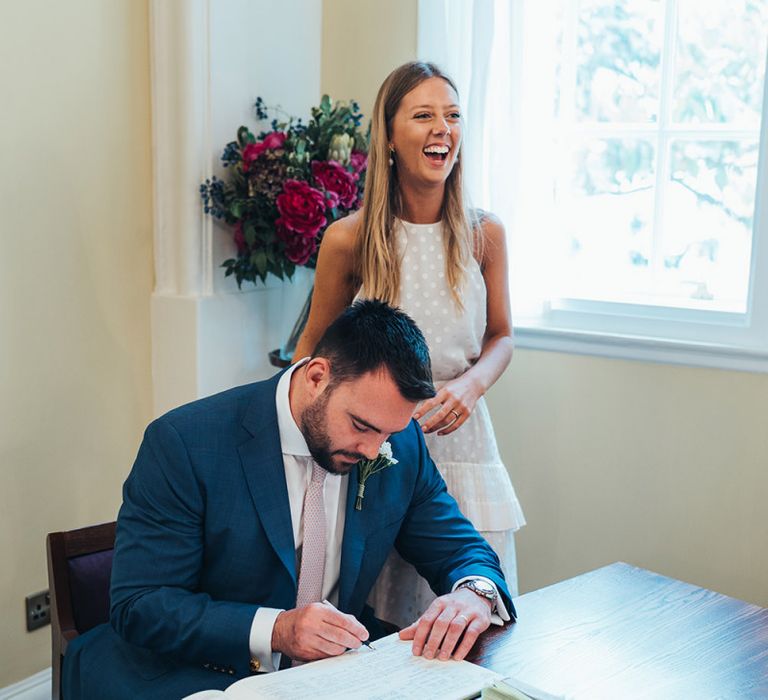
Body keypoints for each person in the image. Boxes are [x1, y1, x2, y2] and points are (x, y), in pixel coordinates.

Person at [62, 300, 514, 700]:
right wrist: (278, 629)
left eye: (388, 433)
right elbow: (141, 603)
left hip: (341, 669)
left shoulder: (401, 443)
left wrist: (473, 593)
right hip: (201, 668)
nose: (373, 451)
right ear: (317, 376)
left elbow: (460, 547)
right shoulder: (184, 443)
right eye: (361, 426)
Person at [293, 61, 525, 628]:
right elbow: (311, 352)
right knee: (392, 621)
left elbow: (502, 336)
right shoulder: (349, 240)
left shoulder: (484, 234)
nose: (442, 127)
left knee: (475, 611)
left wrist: (471, 385)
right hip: (381, 451)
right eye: (423, 115)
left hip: (465, 443)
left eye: (452, 116)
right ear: (391, 136)